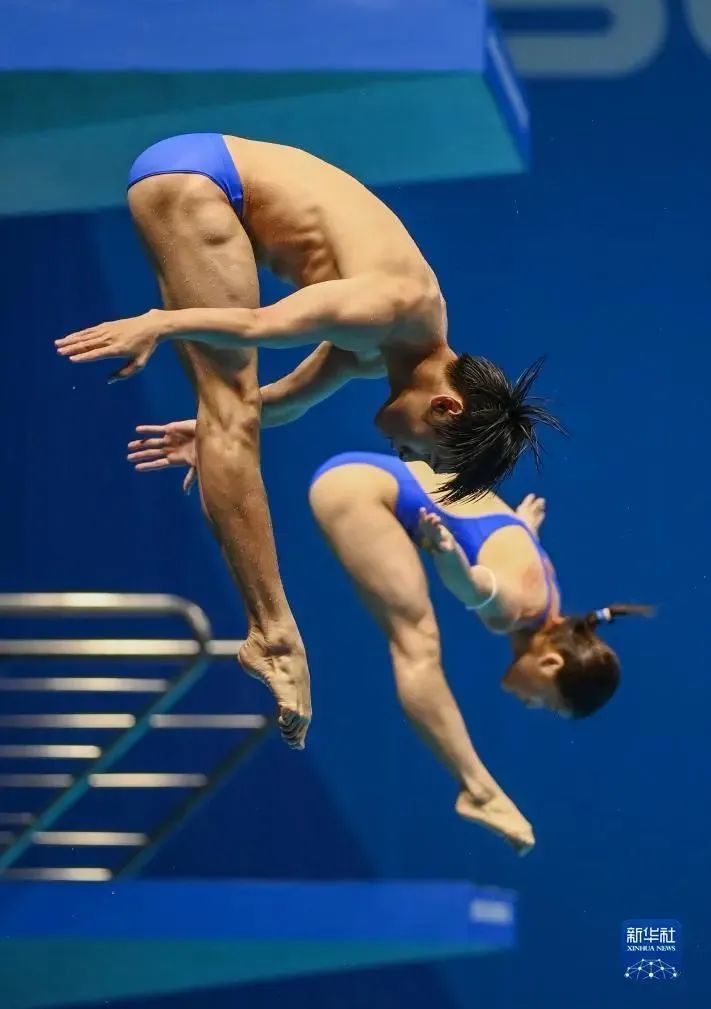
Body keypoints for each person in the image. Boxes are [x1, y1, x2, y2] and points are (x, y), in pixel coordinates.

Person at [55, 133, 560, 751]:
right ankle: (273, 635)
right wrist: (158, 326)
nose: (409, 459)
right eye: (430, 452)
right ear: (446, 407)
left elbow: (289, 399)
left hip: (195, 180)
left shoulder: (386, 350)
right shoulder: (393, 307)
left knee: (231, 418)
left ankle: (268, 631)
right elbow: (259, 326)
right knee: (230, 415)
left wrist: (209, 432)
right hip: (204, 183)